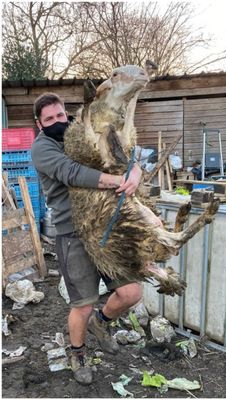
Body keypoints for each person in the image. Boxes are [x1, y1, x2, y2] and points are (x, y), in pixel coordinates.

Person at [31, 93, 143, 385]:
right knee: (82, 304)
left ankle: (101, 323)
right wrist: (117, 181)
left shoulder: (83, 133)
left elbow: (125, 151)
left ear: (67, 114)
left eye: (60, 115)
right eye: (49, 119)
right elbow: (72, 172)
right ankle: (78, 353)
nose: (57, 122)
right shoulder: (41, 148)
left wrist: (135, 171)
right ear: (39, 124)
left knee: (131, 293)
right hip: (73, 234)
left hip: (106, 227)